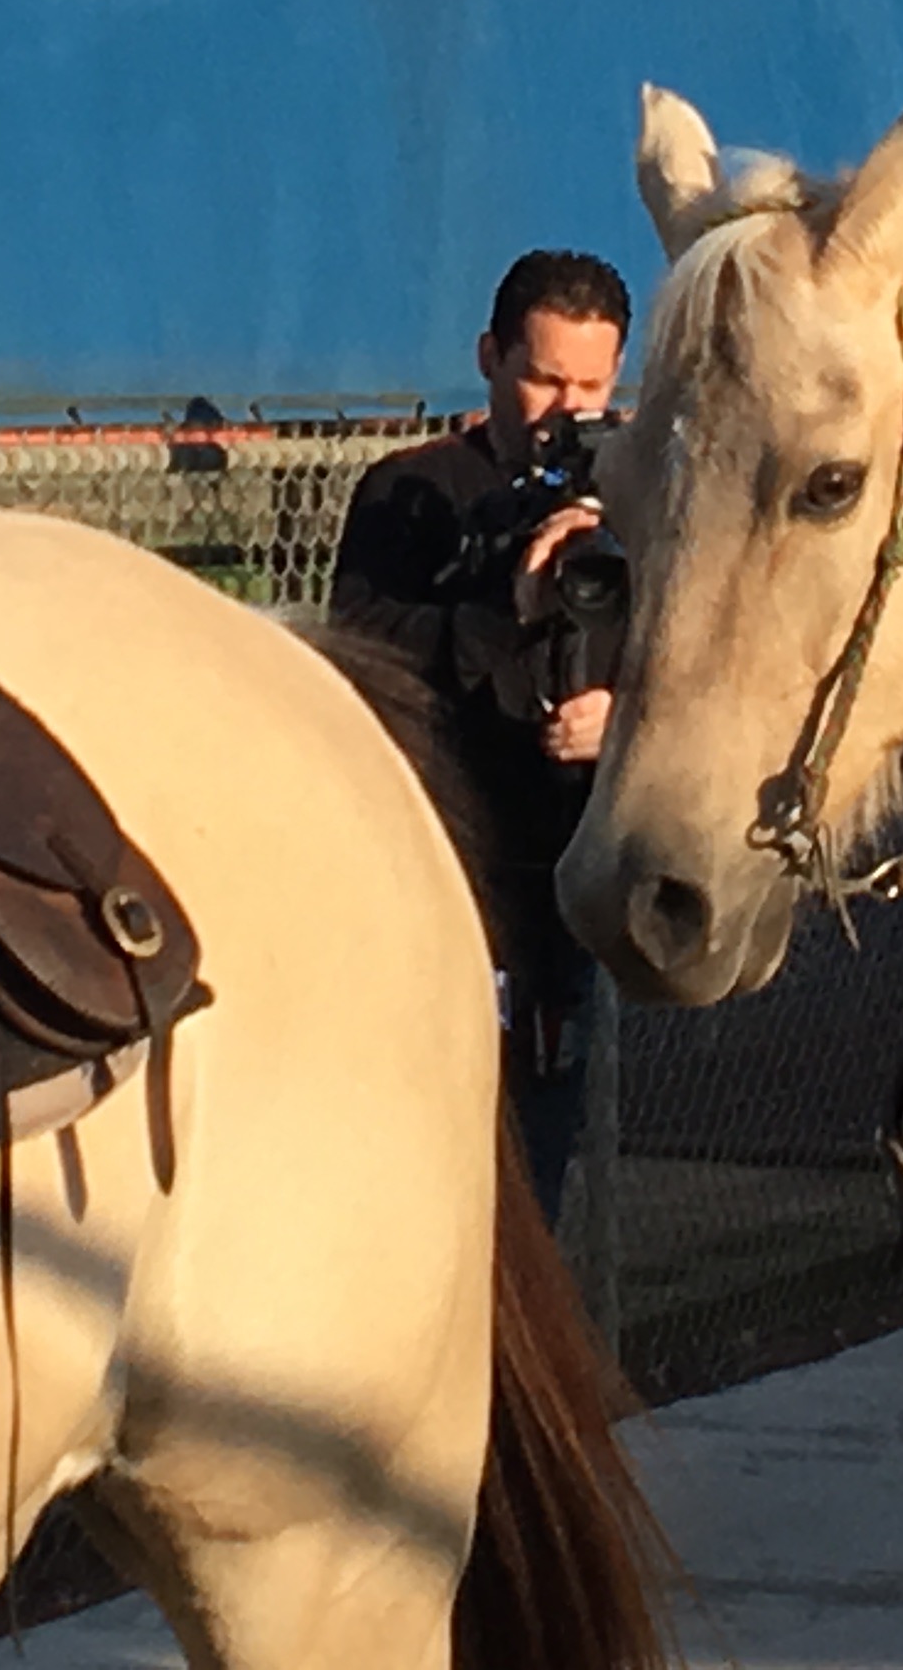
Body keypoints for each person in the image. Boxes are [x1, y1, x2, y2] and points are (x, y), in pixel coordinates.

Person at [328, 249, 632, 1212]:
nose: (564, 409)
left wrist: (621, 726)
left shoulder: (641, 497)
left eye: (590, 385)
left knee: (534, 1172)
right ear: (491, 359)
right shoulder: (412, 493)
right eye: (542, 378)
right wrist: (509, 605)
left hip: (562, 886)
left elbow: (702, 666)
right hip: (443, 868)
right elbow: (366, 651)